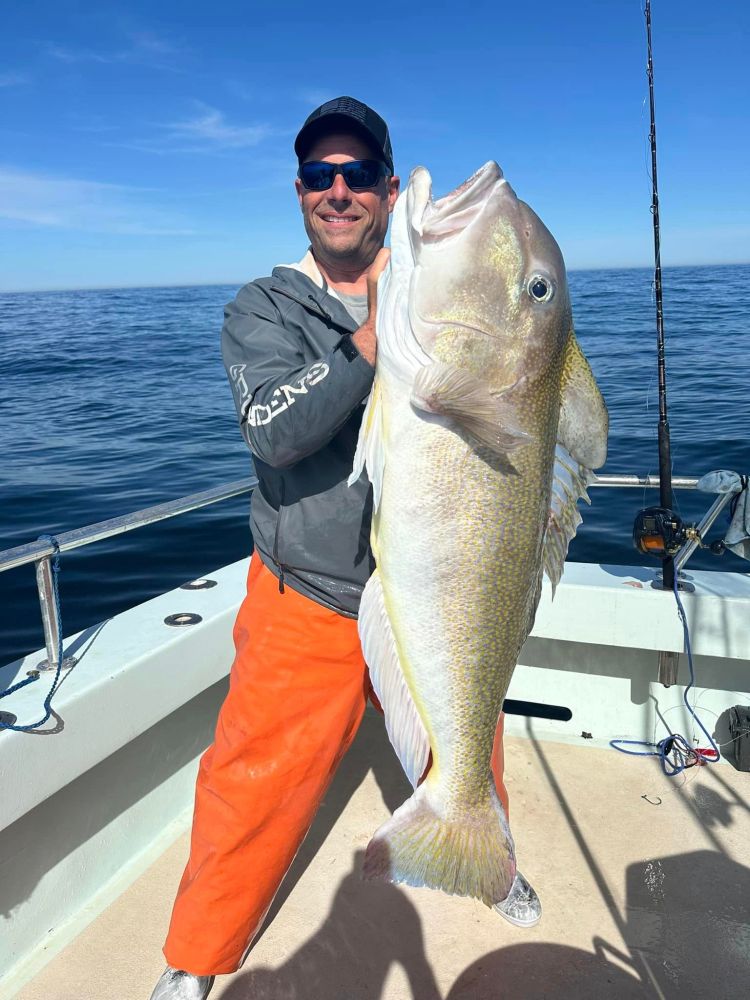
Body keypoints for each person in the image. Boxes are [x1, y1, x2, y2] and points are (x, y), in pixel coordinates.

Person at [149, 96, 540, 1000]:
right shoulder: (263, 308)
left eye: (358, 175)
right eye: (322, 176)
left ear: (389, 190)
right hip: (308, 599)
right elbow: (271, 432)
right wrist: (373, 340)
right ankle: (196, 957)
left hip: (433, 582)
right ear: (298, 193)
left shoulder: (436, 286)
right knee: (251, 786)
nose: (340, 190)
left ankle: (486, 860)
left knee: (469, 742)